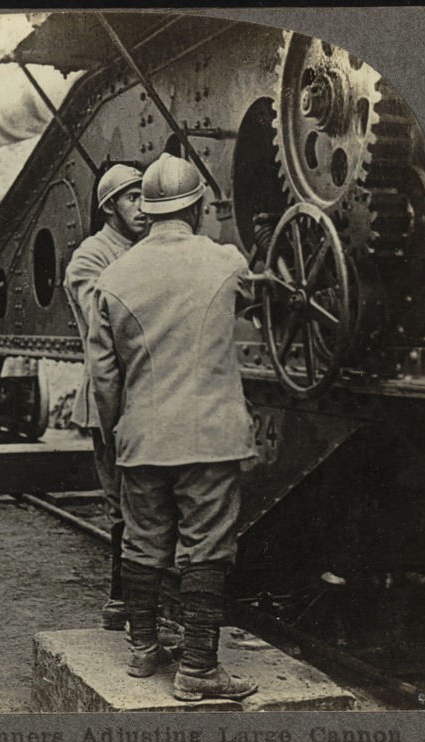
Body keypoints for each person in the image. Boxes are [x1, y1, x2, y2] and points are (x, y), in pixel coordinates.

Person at [87, 153, 258, 702]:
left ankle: (142, 652)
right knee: (207, 546)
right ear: (199, 206)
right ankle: (200, 670)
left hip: (140, 439)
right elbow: (255, 301)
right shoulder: (225, 261)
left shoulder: (112, 280)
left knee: (143, 541)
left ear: (149, 208)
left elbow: (103, 378)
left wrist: (119, 438)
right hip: (210, 434)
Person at [64, 163, 146, 630]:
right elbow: (106, 316)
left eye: (144, 196)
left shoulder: (144, 247)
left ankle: (138, 600)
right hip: (108, 394)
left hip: (147, 391)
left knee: (148, 501)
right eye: (132, 198)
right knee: (122, 502)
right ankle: (122, 600)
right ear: (109, 205)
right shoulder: (89, 257)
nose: (142, 206)